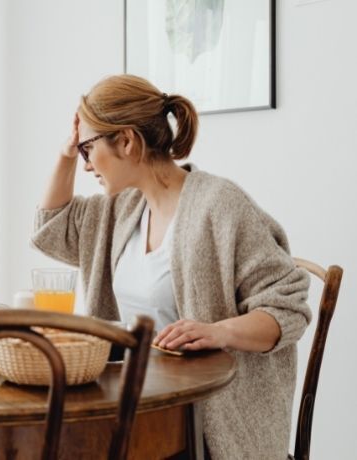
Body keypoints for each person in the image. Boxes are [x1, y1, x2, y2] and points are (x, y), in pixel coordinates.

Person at [32, 74, 311, 459]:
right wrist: (67, 153)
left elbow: (288, 309)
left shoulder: (219, 205)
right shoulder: (124, 207)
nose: (84, 166)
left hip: (205, 420)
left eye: (87, 151)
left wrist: (219, 331)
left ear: (127, 141)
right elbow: (52, 227)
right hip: (138, 408)